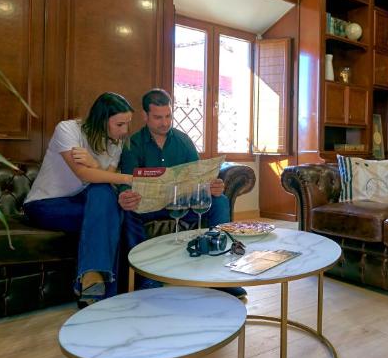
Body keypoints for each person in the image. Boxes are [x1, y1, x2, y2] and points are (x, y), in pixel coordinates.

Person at [118, 88, 244, 298]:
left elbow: (199, 178)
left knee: (220, 201)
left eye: (168, 116)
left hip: (182, 206)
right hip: (148, 209)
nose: (165, 123)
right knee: (127, 212)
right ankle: (146, 279)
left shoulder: (183, 141)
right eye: (158, 117)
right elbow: (126, 182)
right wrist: (125, 196)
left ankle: (221, 276)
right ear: (145, 116)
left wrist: (212, 187)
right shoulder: (133, 144)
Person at [23, 92, 140, 306]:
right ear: (101, 119)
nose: (124, 131)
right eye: (119, 124)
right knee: (111, 212)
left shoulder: (116, 143)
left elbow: (104, 180)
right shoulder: (67, 129)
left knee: (103, 194)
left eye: (127, 124)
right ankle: (105, 293)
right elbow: (83, 174)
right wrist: (129, 178)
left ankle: (91, 285)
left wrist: (94, 165)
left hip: (84, 202)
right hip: (46, 205)